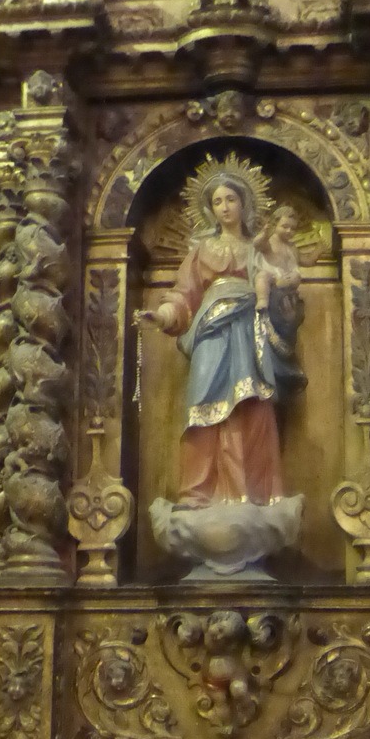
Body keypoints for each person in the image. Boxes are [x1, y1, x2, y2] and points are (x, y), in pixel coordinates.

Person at [140, 168, 305, 511]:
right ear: (210, 209)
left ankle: (255, 494)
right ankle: (198, 494)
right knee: (203, 404)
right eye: (217, 202)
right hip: (211, 332)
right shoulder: (202, 250)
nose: (225, 207)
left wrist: (285, 304)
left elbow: (280, 291)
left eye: (231, 199)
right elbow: (183, 295)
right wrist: (163, 316)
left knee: (252, 402)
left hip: (250, 327)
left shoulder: (258, 248)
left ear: (244, 204)